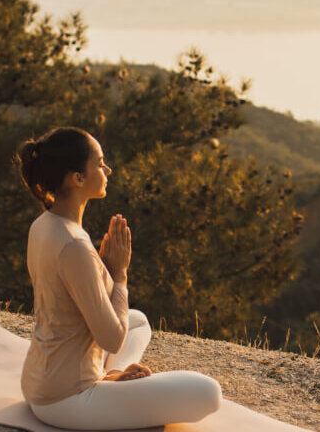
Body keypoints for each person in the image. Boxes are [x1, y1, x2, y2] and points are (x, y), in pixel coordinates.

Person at [14, 126, 222, 429]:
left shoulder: (44, 224)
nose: (107, 169)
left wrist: (104, 271)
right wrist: (119, 274)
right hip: (68, 399)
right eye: (99, 163)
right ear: (78, 178)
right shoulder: (74, 245)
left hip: (38, 383)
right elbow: (111, 338)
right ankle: (113, 383)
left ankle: (114, 376)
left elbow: (80, 306)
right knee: (208, 394)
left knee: (137, 320)